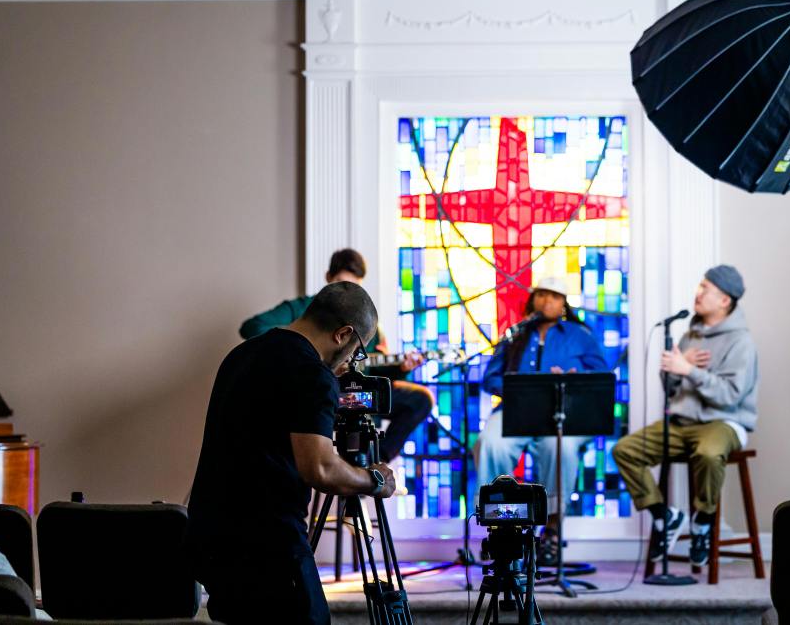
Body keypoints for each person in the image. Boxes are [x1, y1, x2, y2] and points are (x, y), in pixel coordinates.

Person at [185, 282, 397, 625]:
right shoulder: (311, 374)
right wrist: (374, 480)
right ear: (343, 334)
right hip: (266, 544)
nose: (352, 363)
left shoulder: (242, 355)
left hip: (209, 538)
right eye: (358, 350)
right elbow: (320, 469)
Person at [612, 265, 759, 569]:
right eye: (699, 285)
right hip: (682, 423)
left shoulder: (740, 342)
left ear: (725, 300)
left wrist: (690, 371)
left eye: (706, 288)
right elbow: (670, 388)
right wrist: (676, 370)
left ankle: (703, 522)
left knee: (708, 452)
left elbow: (731, 396)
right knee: (625, 450)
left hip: (723, 422)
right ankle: (663, 515)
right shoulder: (690, 334)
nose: (698, 292)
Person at [239, 248, 433, 463]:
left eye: (354, 286)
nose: (346, 291)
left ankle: (374, 463)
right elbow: (253, 327)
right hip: (314, 393)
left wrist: (401, 368)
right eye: (340, 283)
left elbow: (374, 372)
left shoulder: (366, 323)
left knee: (420, 399)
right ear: (328, 278)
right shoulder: (303, 309)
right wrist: (303, 350)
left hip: (351, 396)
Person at [474, 276, 609, 564]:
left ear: (564, 304)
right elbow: (490, 377)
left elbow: (600, 377)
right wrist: (514, 386)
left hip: (563, 415)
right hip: (516, 411)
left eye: (555, 296)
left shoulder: (580, 335)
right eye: (542, 295)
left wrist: (574, 379)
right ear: (533, 300)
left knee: (559, 448)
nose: (548, 301)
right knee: (491, 443)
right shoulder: (515, 334)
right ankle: (499, 524)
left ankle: (552, 528)